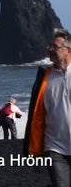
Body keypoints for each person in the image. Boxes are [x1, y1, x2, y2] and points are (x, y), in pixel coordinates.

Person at [24, 28, 71, 187]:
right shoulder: (44, 78)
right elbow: (35, 116)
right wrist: (33, 152)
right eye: (49, 46)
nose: (49, 49)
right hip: (55, 148)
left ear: (67, 50)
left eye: (54, 46)